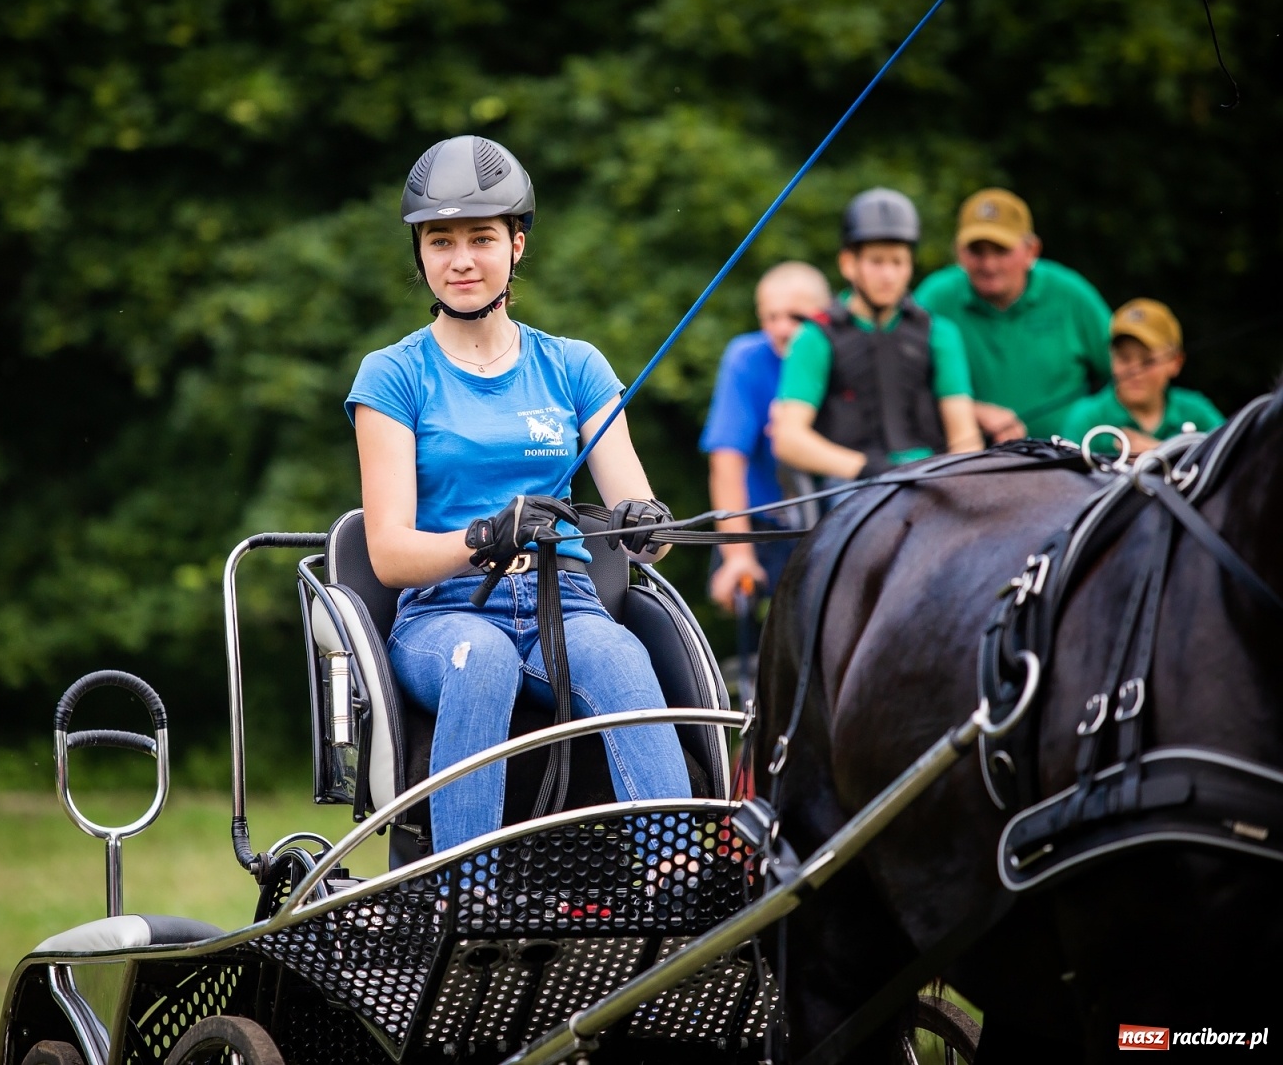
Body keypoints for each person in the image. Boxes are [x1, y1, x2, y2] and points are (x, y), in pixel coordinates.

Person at [345, 135, 691, 856]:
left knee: (625, 659)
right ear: (421, 254)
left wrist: (645, 524)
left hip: (567, 608)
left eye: (481, 238)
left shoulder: (575, 367)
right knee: (485, 658)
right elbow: (389, 555)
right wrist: (483, 540)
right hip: (443, 619)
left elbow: (646, 534)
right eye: (441, 241)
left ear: (517, 245)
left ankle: (677, 880)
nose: (462, 259)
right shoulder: (392, 376)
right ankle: (462, 899)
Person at [769, 188, 981, 493]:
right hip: (849, 486)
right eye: (877, 261)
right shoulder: (815, 337)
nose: (889, 275)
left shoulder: (940, 333)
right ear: (848, 263)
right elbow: (788, 438)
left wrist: (948, 478)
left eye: (898, 262)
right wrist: (865, 468)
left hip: (932, 479)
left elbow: (966, 438)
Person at [913, 187, 1112, 441]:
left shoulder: (1072, 296)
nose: (989, 265)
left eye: (1001, 251)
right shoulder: (935, 298)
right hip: (963, 467)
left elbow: (1126, 379)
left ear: (1031, 251)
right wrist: (972, 411)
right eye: (977, 251)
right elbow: (902, 388)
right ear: (959, 251)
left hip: (1067, 465)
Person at [699, 262, 831, 613]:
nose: (781, 329)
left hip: (832, 516)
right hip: (762, 527)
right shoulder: (748, 358)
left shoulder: (843, 353)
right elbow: (726, 459)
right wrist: (738, 556)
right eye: (769, 317)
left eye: (795, 317)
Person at [1059, 298, 1224, 453]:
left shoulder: (1198, 413)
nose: (1135, 372)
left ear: (1176, 362)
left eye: (1148, 361)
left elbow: (1233, 459)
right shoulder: (1085, 420)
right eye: (1124, 358)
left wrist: (1161, 452)